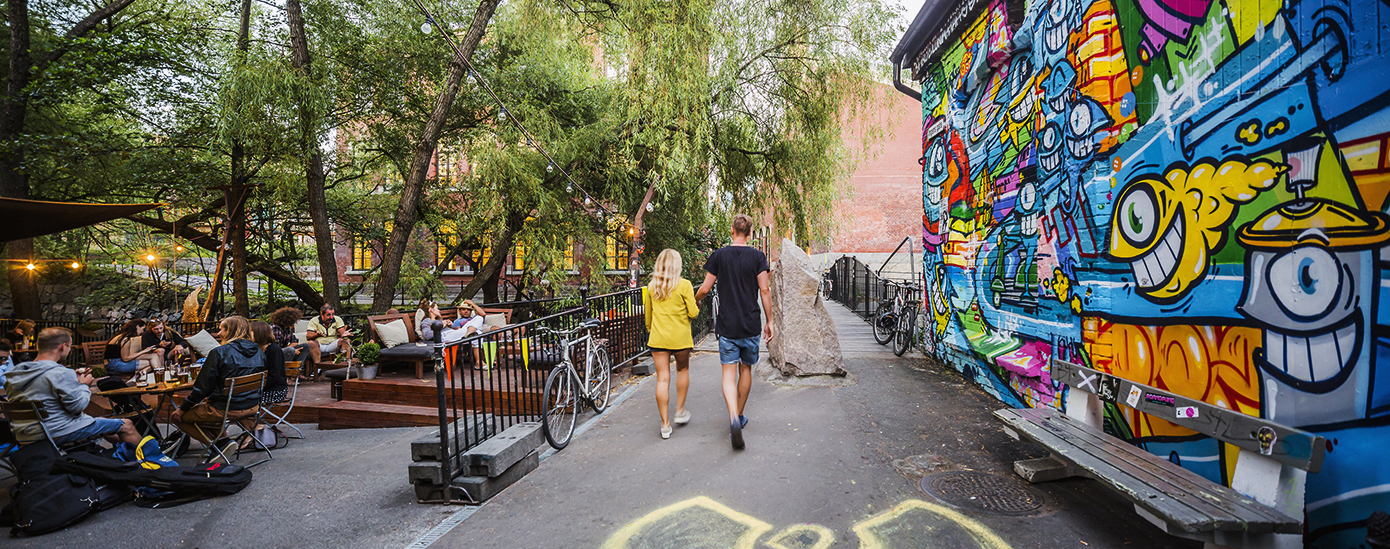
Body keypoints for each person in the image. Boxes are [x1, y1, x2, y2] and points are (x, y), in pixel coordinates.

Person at [695, 213, 773, 449]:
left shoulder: (719, 255)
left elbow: (706, 288)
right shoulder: (758, 256)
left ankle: (732, 416)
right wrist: (770, 320)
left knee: (728, 373)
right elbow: (765, 290)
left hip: (727, 324)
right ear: (749, 233)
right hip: (750, 323)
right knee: (746, 368)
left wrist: (696, 300)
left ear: (732, 231)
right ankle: (739, 416)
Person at [4, 327, 142, 448]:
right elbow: (78, 407)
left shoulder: (16, 374)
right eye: (70, 346)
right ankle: (147, 465)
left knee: (103, 426)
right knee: (126, 424)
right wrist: (83, 385)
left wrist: (73, 382)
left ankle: (118, 461)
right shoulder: (61, 372)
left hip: (25, 434)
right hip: (57, 432)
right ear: (63, 347)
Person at [171, 316, 265, 460]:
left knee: (177, 417)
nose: (219, 333)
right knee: (208, 407)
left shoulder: (219, 352)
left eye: (221, 329)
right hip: (253, 406)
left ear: (231, 331)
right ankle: (223, 443)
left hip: (226, 409)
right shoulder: (259, 352)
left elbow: (202, 388)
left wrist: (182, 408)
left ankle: (218, 446)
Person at [643, 249, 700, 440]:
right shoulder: (684, 285)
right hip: (680, 338)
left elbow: (648, 318)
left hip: (658, 339)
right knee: (682, 371)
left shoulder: (652, 286)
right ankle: (680, 411)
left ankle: (665, 425)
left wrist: (654, 331)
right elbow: (693, 313)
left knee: (662, 379)